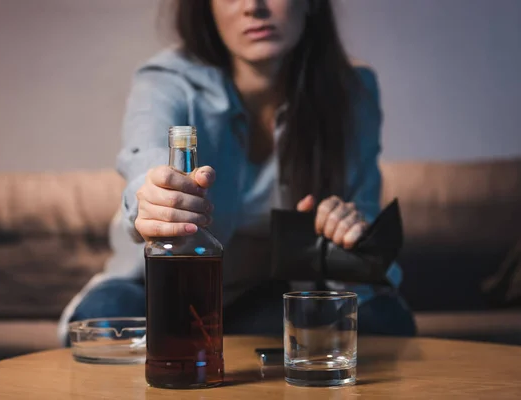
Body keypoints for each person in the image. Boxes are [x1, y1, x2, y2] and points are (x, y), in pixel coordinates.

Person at [58, 0, 416, 343]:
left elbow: (365, 225)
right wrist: (154, 197)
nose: (253, 6)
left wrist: (346, 231)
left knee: (383, 319)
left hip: (264, 300)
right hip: (159, 288)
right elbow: (144, 159)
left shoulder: (352, 91)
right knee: (107, 314)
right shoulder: (165, 80)